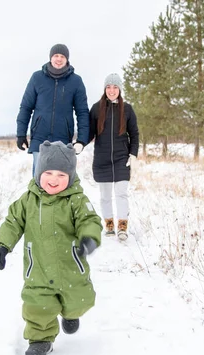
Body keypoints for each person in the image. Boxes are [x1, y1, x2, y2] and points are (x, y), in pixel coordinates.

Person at [0, 140, 102, 355]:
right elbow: (13, 222)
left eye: (61, 175)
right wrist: (2, 245)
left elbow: (89, 220)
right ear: (39, 172)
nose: (54, 179)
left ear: (70, 177)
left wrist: (88, 238)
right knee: (38, 305)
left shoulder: (76, 200)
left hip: (70, 266)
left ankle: (71, 314)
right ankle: (40, 340)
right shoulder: (28, 200)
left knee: (79, 300)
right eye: (48, 173)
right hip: (38, 268)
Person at [15, 44, 90, 176]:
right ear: (51, 58)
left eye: (62, 56)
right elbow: (26, 107)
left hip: (63, 140)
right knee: (39, 181)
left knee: (60, 180)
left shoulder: (76, 81)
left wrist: (81, 141)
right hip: (40, 138)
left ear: (67, 59)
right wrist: (21, 134)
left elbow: (82, 112)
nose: (59, 59)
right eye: (56, 55)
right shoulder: (37, 78)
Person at [87, 73, 139, 241]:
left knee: (121, 193)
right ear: (104, 89)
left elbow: (135, 134)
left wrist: (133, 153)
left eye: (115, 87)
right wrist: (79, 143)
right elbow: (89, 133)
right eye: (108, 87)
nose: (111, 90)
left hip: (121, 158)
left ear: (120, 89)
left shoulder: (128, 109)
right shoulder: (96, 109)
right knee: (105, 196)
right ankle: (109, 225)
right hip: (102, 159)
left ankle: (122, 226)